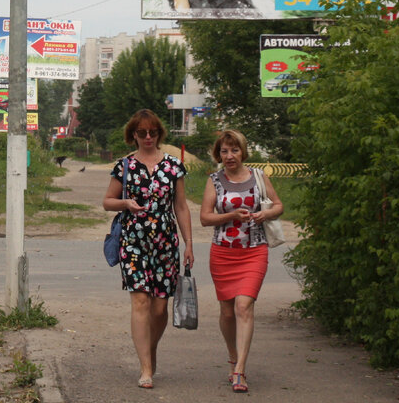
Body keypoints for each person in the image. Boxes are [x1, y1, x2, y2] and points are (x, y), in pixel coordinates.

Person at [102, 108, 194, 390]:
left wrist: (189, 242)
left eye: (152, 132)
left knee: (160, 307)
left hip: (165, 242)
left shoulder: (173, 166)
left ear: (159, 134)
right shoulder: (124, 166)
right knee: (140, 301)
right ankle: (145, 367)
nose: (148, 137)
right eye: (141, 132)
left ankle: (149, 351)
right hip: (133, 242)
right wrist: (126, 203)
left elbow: (180, 206)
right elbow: (107, 201)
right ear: (133, 135)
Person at [199, 129, 284, 393]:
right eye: (224, 151)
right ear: (219, 154)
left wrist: (265, 213)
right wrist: (232, 215)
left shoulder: (259, 177)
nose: (229, 155)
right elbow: (205, 217)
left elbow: (279, 205)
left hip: (254, 251)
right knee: (227, 313)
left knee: (243, 306)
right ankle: (233, 355)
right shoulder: (214, 180)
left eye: (234, 150)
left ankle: (239, 371)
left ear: (243, 151)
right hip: (223, 252)